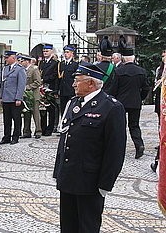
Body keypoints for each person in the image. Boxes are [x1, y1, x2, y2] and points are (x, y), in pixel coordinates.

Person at [53, 62, 126, 233]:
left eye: (77, 81)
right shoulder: (73, 103)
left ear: (91, 83)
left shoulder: (111, 107)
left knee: (87, 226)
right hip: (69, 177)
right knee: (68, 226)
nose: (73, 84)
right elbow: (65, 139)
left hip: (90, 182)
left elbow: (115, 151)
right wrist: (59, 172)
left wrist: (105, 184)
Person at [109, 48, 150, 159]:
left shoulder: (118, 71)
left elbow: (113, 89)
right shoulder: (141, 71)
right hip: (135, 102)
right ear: (133, 58)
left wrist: (113, 99)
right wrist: (140, 98)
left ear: (123, 59)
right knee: (134, 125)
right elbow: (146, 88)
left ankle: (119, 149)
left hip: (121, 103)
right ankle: (139, 145)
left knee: (120, 126)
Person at [0, 50, 27, 145]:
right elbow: (2, 83)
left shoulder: (20, 69)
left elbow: (21, 85)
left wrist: (19, 98)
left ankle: (16, 136)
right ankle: (6, 136)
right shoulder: (5, 69)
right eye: (5, 58)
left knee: (16, 118)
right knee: (6, 119)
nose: (5, 59)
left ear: (13, 58)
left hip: (14, 98)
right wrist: (1, 96)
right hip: (6, 97)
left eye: (7, 57)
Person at [19, 54, 42, 139]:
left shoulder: (34, 69)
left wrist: (27, 87)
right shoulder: (22, 70)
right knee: (26, 113)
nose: (21, 62)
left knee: (36, 114)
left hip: (34, 95)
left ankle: (38, 131)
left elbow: (38, 82)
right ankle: (26, 131)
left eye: (22, 61)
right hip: (26, 96)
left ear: (27, 61)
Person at [38, 44, 59, 136]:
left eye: (47, 51)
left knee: (51, 110)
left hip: (50, 88)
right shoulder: (41, 63)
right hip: (42, 88)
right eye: (44, 51)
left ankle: (50, 129)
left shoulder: (55, 63)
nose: (45, 53)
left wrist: (45, 79)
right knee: (42, 109)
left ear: (51, 52)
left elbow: (55, 75)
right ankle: (43, 128)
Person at [58, 45, 79, 116]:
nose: (65, 54)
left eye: (67, 52)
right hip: (63, 90)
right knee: (63, 109)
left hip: (71, 90)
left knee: (71, 109)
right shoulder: (61, 64)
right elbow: (59, 78)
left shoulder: (75, 64)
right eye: (65, 52)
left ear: (72, 53)